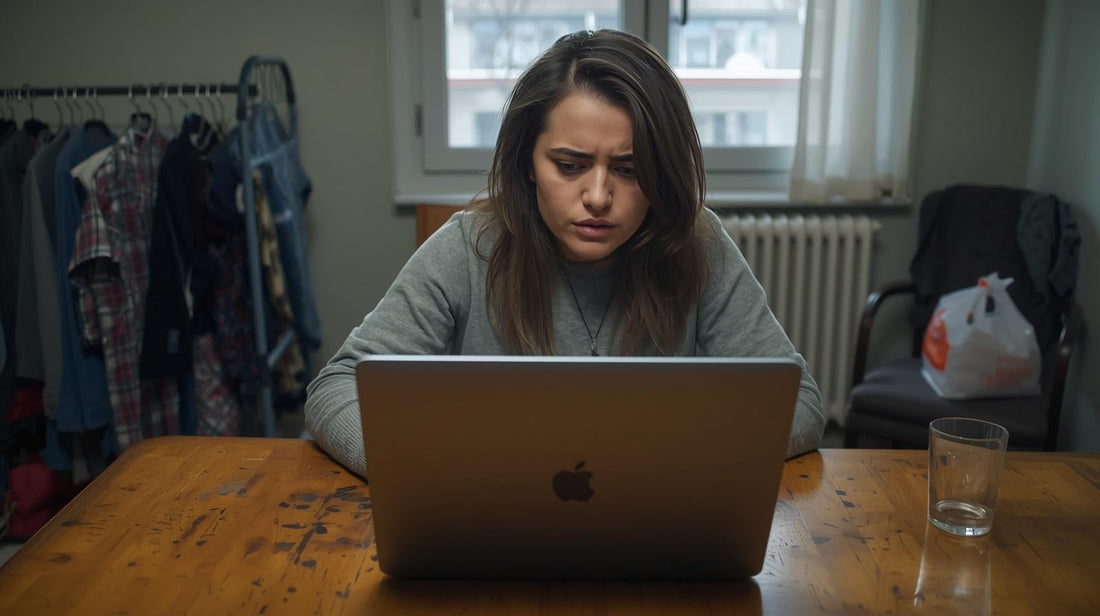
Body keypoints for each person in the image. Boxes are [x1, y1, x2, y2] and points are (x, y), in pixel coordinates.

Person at [305, 29, 825, 479]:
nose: (598, 196)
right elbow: (336, 389)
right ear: (529, 162)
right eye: (570, 165)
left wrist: (678, 461)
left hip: (654, 529)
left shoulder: (699, 244)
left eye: (628, 169)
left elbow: (798, 401)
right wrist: (440, 470)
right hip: (489, 526)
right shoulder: (467, 247)